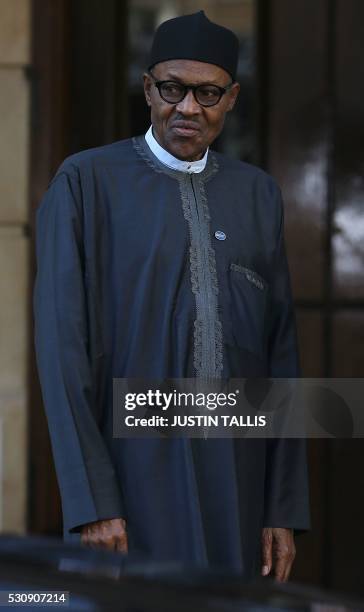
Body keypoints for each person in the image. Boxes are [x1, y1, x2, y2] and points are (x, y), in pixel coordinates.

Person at [33, 11, 310, 582]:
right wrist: (93, 501)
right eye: (172, 89)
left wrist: (281, 507)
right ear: (147, 88)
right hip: (130, 478)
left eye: (208, 93)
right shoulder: (85, 183)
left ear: (231, 98)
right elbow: (63, 352)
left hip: (237, 473)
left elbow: (281, 356)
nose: (188, 108)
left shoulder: (258, 195)